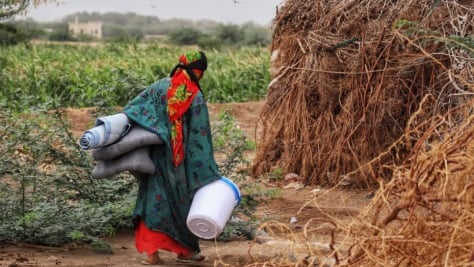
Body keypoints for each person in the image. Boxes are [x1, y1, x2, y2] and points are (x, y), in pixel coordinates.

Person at [122, 50, 221, 265]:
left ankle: (151, 255)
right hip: (179, 163)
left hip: (155, 157)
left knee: (153, 199)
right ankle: (185, 251)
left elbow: (132, 109)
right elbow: (199, 136)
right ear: (197, 71)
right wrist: (206, 170)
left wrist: (157, 132)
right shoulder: (194, 96)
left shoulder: (159, 87)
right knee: (181, 202)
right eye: (201, 72)